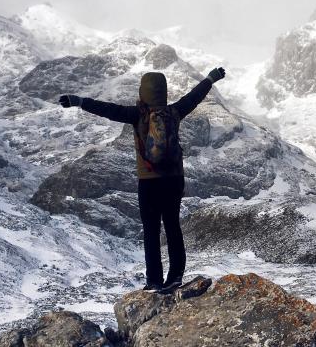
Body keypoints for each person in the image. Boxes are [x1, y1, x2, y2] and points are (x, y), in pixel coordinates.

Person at [59, 67, 226, 291]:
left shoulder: (137, 114)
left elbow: (106, 109)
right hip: (174, 179)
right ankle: (175, 277)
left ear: (143, 92)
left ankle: (154, 281)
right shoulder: (175, 111)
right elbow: (194, 97)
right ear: (163, 91)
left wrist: (78, 101)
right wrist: (210, 78)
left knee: (151, 231)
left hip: (149, 181)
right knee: (173, 227)